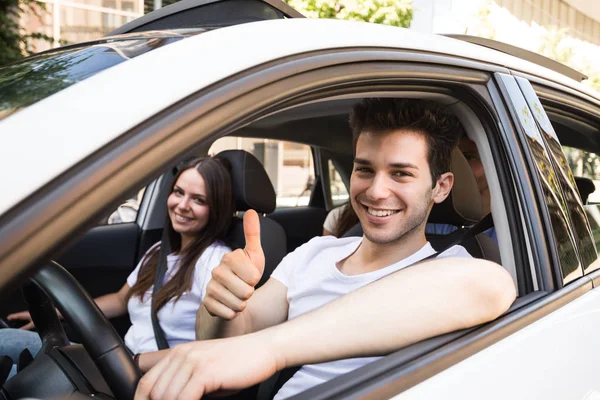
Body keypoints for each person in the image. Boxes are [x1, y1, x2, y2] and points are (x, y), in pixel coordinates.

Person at [134, 99, 517, 400]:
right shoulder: (314, 253)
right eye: (365, 169)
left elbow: (493, 286)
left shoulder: (454, 266)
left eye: (400, 173)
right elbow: (232, 341)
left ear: (441, 187)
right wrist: (219, 305)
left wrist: (273, 350)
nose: (376, 190)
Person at [0, 156, 235, 376]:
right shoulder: (159, 252)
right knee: (8, 344)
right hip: (121, 362)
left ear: (216, 208)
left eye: (198, 200)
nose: (182, 205)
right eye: (178, 192)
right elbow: (121, 300)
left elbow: (211, 349)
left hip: (151, 376)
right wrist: (57, 312)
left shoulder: (214, 261)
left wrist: (132, 363)